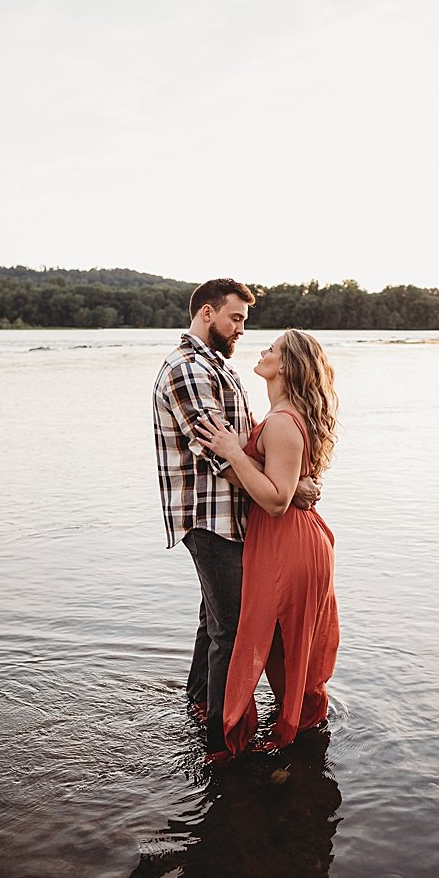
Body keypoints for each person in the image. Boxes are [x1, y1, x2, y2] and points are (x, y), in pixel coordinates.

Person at [152, 278, 319, 763]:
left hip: (233, 517)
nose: (243, 329)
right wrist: (287, 492)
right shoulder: (188, 371)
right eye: (236, 318)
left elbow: (243, 446)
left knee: (214, 622)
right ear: (208, 313)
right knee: (231, 629)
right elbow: (220, 455)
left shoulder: (216, 368)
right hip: (211, 519)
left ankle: (201, 706)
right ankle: (222, 745)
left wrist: (290, 482)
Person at [195, 329, 340, 762]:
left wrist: (232, 452)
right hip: (293, 540)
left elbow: (275, 501)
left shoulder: (280, 422)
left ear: (288, 366)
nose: (262, 350)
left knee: (255, 636)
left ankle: (237, 741)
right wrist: (237, 454)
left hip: (287, 542)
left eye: (272, 349)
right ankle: (293, 727)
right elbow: (274, 484)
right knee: (278, 642)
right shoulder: (281, 416)